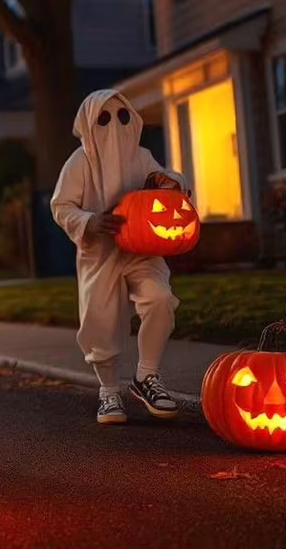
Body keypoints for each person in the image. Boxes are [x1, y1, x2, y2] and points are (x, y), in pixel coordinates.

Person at [51, 89, 186, 424]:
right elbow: (61, 206)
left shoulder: (140, 157)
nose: (113, 125)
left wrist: (167, 183)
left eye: (122, 116)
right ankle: (109, 390)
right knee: (101, 322)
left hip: (142, 250)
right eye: (104, 117)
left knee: (160, 299)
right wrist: (90, 221)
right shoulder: (79, 162)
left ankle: (147, 375)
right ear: (88, 123)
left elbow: (169, 184)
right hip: (100, 255)